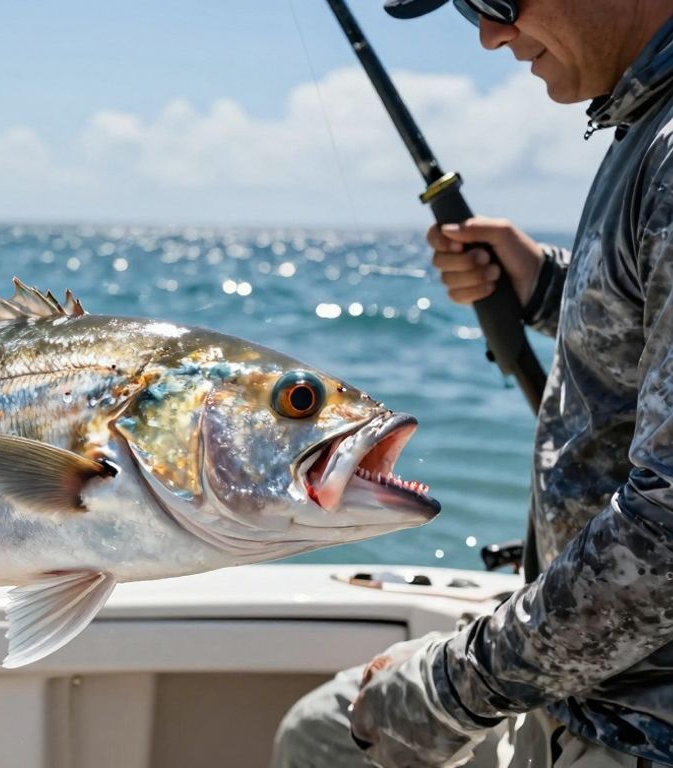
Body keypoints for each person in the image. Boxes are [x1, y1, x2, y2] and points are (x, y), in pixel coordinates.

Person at [270, 0, 673, 766]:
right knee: (320, 734)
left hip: (639, 728)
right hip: (587, 687)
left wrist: (451, 690)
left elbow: (667, 534)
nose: (489, 33)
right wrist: (547, 286)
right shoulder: (645, 124)